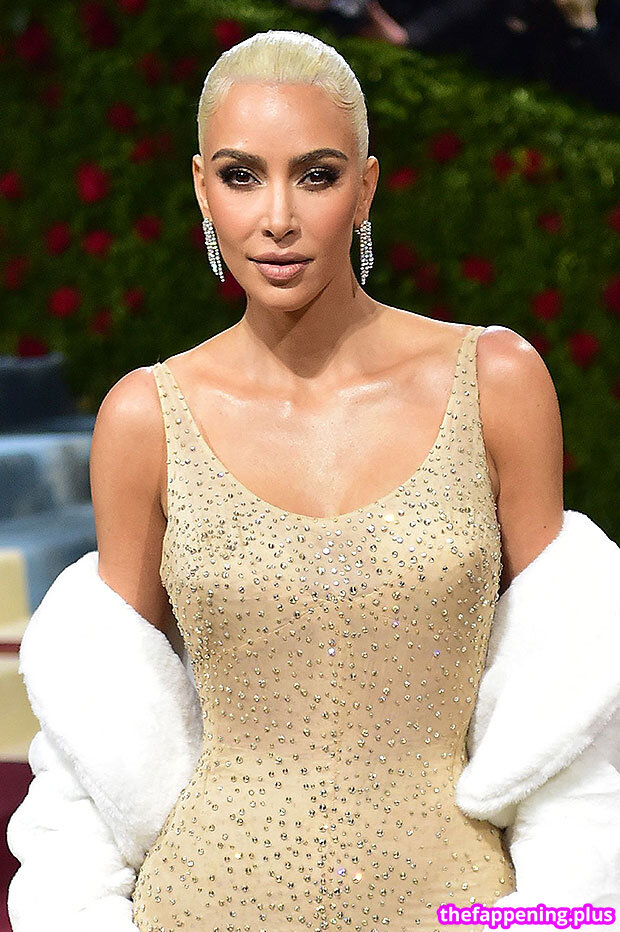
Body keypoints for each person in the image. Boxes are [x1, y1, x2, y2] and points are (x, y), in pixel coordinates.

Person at [7, 28, 620, 932]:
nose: (278, 217)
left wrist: (560, 918)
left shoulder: (496, 381)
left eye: (317, 176)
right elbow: (98, 737)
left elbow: (567, 720)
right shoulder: (144, 418)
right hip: (199, 907)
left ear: (365, 188)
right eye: (241, 175)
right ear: (201, 189)